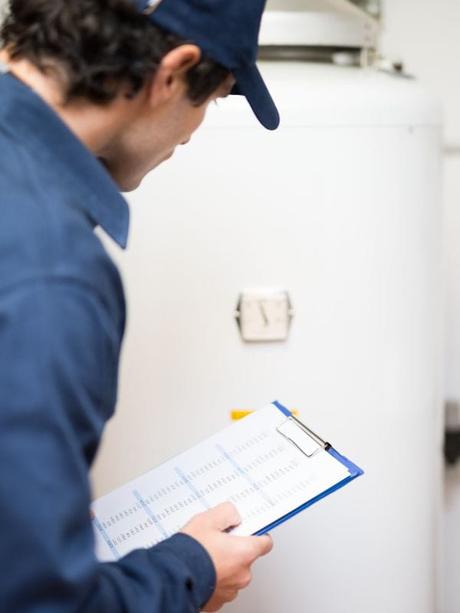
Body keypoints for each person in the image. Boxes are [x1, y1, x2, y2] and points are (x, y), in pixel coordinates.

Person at [0, 0, 280, 611]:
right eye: (209, 100)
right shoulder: (54, 271)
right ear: (174, 71)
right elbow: (36, 601)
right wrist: (191, 570)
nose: (190, 131)